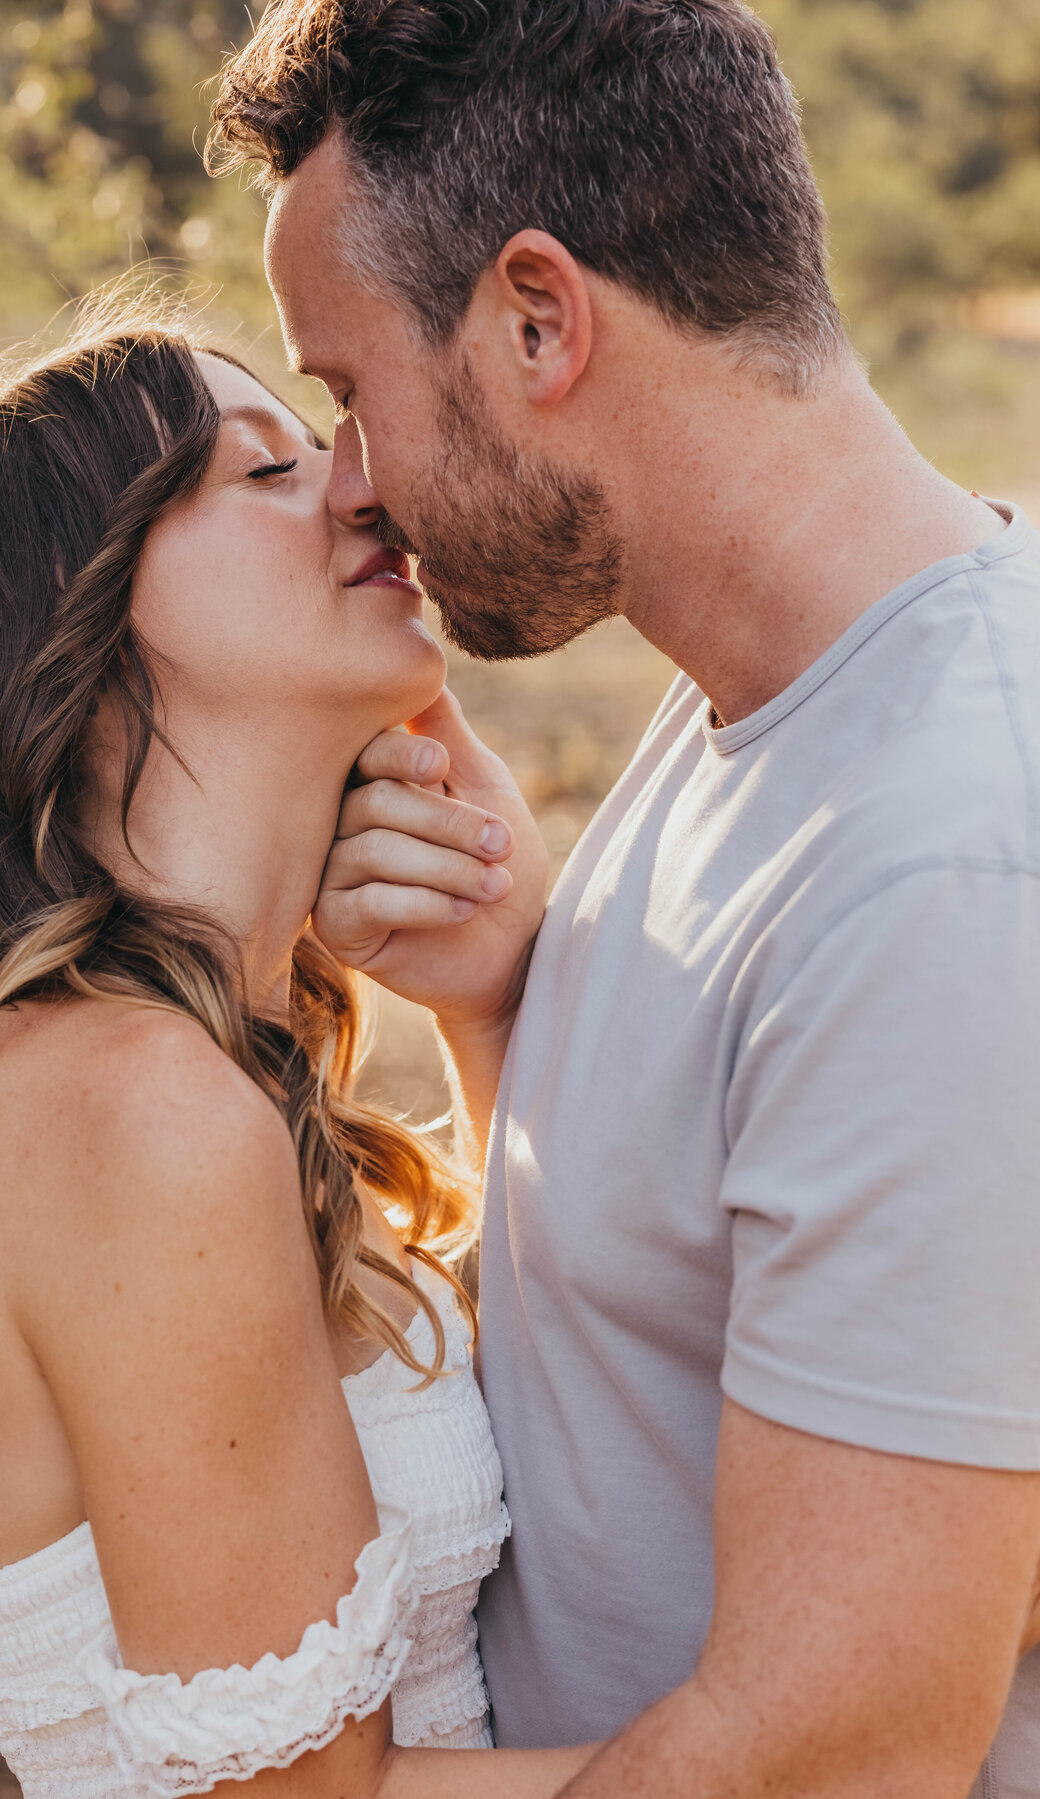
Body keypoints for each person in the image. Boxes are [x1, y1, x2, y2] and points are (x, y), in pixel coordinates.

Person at [210, 2, 1040, 1795]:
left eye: (349, 391)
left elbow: (834, 1758)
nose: (347, 480)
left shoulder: (946, 863)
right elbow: (657, 1329)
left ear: (537, 316)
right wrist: (504, 1004)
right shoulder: (761, 689)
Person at [0, 316, 598, 1797]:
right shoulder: (126, 1110)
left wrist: (491, 1010)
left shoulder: (188, 1071)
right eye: (268, 471)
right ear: (87, 609)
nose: (366, 489)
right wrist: (831, 1735)